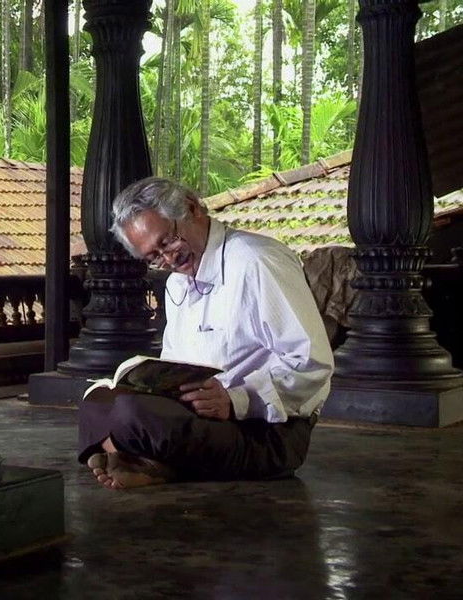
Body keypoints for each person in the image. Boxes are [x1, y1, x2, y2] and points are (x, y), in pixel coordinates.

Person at [78, 177, 334, 489]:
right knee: (96, 402)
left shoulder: (256, 261)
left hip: (266, 430)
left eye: (167, 242)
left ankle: (136, 456)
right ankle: (143, 457)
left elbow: (312, 364)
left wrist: (236, 399)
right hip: (203, 419)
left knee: (133, 414)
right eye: (153, 257)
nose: (169, 260)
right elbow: (175, 365)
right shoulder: (177, 283)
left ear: (192, 208)